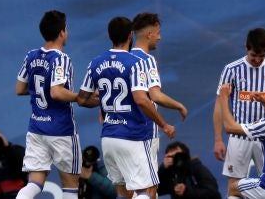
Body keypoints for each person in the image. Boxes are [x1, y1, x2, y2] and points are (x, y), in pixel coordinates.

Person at [77, 16, 175, 199]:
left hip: (108, 138)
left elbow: (82, 99)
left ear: (109, 35)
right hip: (133, 136)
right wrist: (164, 124)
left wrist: (104, 101)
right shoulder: (136, 63)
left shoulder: (95, 63)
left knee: (123, 192)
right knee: (147, 191)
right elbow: (142, 100)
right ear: (130, 35)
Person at [15, 10, 83, 199]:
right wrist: (80, 98)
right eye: (66, 29)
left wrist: (39, 89)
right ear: (62, 32)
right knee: (70, 186)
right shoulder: (61, 58)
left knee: (34, 183)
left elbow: (19, 88)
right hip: (61, 129)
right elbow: (56, 91)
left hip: (37, 128)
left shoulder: (31, 56)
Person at [212, 27, 265, 198]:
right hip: (239, 136)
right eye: (254, 55)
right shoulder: (232, 69)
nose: (258, 60)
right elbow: (219, 105)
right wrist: (217, 139)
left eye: (262, 56)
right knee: (234, 188)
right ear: (246, 47)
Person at [130, 12, 188, 197]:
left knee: (132, 187)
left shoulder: (124, 59)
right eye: (158, 32)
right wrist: (179, 105)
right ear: (149, 34)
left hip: (122, 132)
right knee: (149, 187)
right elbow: (155, 95)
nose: (160, 37)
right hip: (145, 130)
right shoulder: (147, 60)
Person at [158, 141, 222, 199]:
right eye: (171, 157)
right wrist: (162, 169)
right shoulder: (171, 173)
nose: (177, 159)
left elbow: (213, 193)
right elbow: (154, 190)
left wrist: (186, 191)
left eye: (178, 156)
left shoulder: (197, 169)